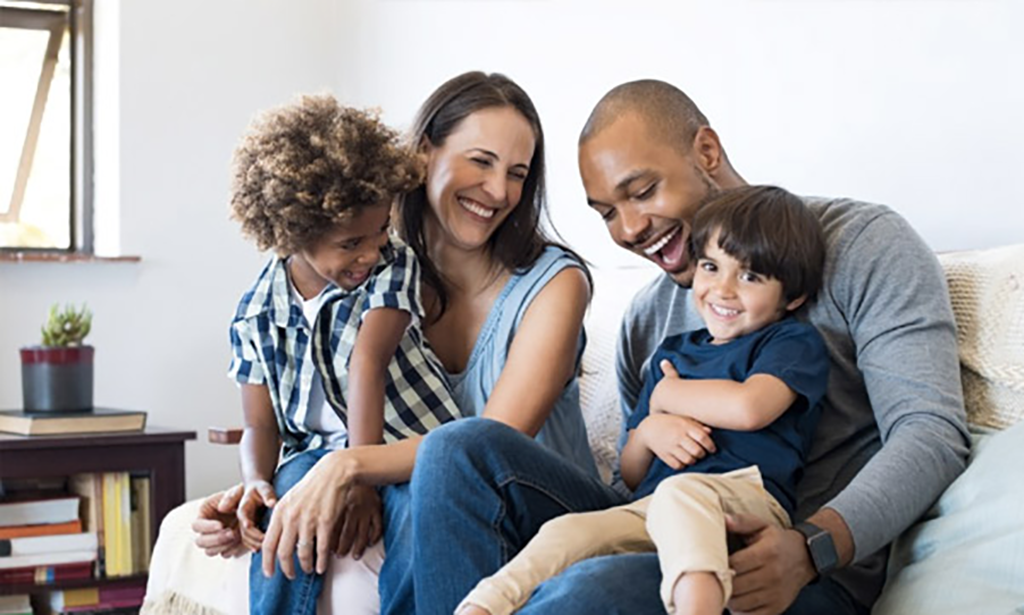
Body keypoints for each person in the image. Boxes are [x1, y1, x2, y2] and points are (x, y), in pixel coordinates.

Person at [404, 79, 970, 615]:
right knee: (457, 449)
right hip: (658, 529)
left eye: (642, 191)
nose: (629, 229)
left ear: (706, 151)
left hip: (793, 569)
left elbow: (931, 432)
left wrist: (810, 548)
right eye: (607, 213)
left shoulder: (861, 244)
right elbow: (632, 480)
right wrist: (650, 432)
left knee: (586, 590)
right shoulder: (647, 318)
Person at [192, 71, 598, 615]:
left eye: (517, 174)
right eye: (481, 161)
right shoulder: (363, 266)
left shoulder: (554, 283)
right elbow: (309, 411)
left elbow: (484, 448)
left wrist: (348, 466)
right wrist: (257, 490)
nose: (500, 191)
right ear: (424, 153)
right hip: (426, 493)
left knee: (444, 464)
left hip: (534, 506)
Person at [457, 185, 829, 615]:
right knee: (568, 531)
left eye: (750, 277)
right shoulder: (672, 354)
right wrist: (651, 429)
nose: (723, 290)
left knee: (680, 494)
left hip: (745, 499)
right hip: (653, 507)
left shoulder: (788, 341)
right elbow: (633, 474)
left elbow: (750, 408)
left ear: (793, 297)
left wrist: (670, 395)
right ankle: (481, 606)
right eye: (711, 267)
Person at [225, 94, 463, 614]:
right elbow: (259, 425)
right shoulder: (255, 312)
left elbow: (367, 363)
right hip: (313, 454)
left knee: (416, 512)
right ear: (295, 233)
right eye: (351, 242)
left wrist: (359, 476)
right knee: (284, 511)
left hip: (404, 444)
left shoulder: (393, 266)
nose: (371, 253)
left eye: (380, 231)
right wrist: (255, 482)